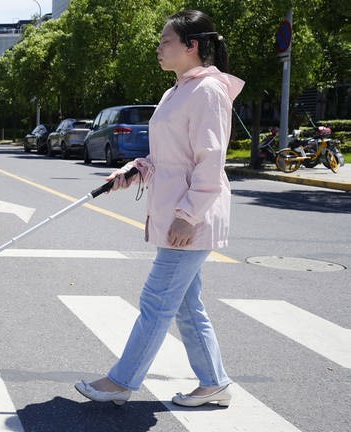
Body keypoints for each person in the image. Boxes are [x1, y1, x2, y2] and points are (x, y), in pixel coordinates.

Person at [74, 10, 244, 408]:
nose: (158, 48)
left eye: (165, 41)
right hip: (178, 216)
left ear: (192, 46)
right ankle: (214, 381)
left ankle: (121, 381)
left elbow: (209, 159)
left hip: (191, 218)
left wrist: (188, 215)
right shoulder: (176, 91)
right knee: (185, 306)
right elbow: (169, 157)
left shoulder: (208, 91)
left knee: (156, 302)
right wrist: (135, 170)